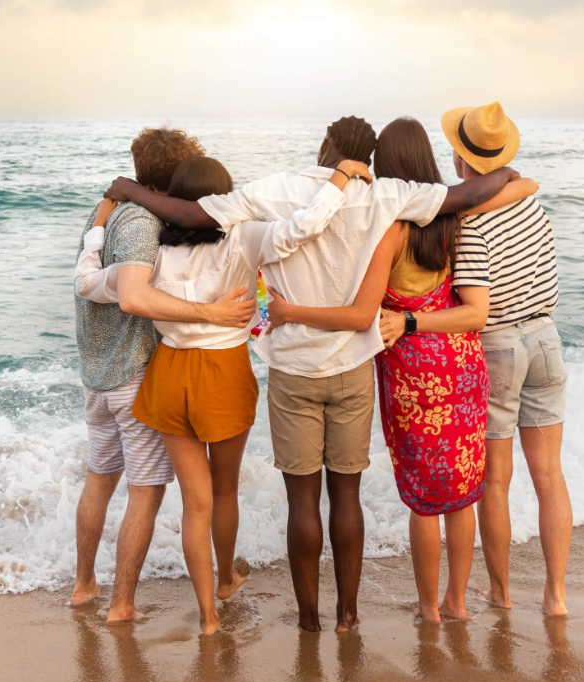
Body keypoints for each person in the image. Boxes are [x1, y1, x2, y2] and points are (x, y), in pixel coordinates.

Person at [103, 115, 521, 633]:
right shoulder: (387, 194)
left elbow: (187, 212)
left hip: (292, 370)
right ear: (364, 160)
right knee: (346, 495)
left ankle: (307, 619)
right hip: (350, 365)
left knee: (301, 500)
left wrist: (126, 190)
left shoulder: (274, 190)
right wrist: (504, 173)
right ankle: (348, 615)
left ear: (324, 144)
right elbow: (467, 195)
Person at [75, 155, 373, 634]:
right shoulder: (246, 235)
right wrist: (340, 178)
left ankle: (209, 618)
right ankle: (226, 578)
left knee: (196, 503)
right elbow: (305, 227)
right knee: (223, 490)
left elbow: (92, 284)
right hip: (223, 374)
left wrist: (98, 229)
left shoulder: (154, 249)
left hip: (168, 374)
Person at [267, 117, 538, 623]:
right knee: (461, 490)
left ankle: (430, 609)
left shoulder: (390, 230)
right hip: (458, 359)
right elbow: (519, 183)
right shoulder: (458, 217)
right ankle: (458, 600)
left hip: (412, 366)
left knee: (423, 498)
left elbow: (362, 307)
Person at [70, 127, 257, 624]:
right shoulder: (142, 224)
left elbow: (87, 279)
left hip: (96, 372)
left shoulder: (105, 212)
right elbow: (133, 295)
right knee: (147, 492)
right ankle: (121, 603)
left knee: (99, 480)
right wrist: (211, 314)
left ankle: (84, 584)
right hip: (131, 372)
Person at [401, 101, 571, 617]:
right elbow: (524, 186)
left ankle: (500, 591)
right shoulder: (530, 205)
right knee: (549, 475)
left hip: (499, 347)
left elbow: (478, 311)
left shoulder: (469, 224)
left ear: (459, 158)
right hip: (547, 338)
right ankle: (556, 596)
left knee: (496, 481)